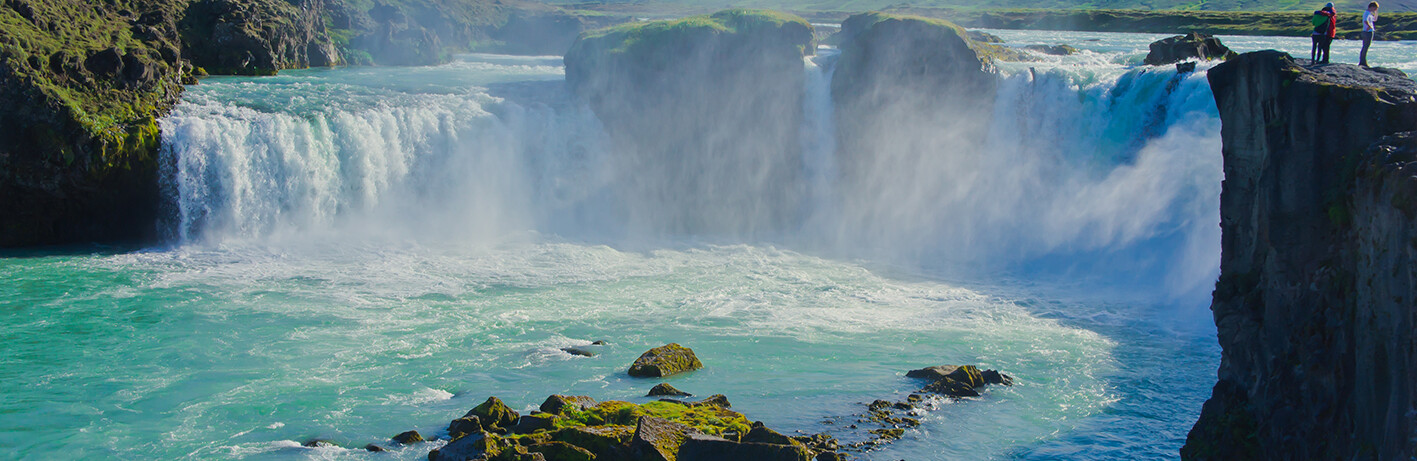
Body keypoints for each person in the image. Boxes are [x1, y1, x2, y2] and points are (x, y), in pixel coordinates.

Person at [1360, 1, 1380, 67]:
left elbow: (1375, 20)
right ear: (1372, 7)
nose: (1375, 9)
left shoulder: (1370, 13)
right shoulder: (1366, 13)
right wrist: (1369, 27)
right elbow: (1365, 21)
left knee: (1366, 46)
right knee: (1365, 46)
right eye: (1375, 8)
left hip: (1369, 31)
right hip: (1367, 32)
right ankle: (1362, 62)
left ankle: (1363, 61)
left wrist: (1376, 13)